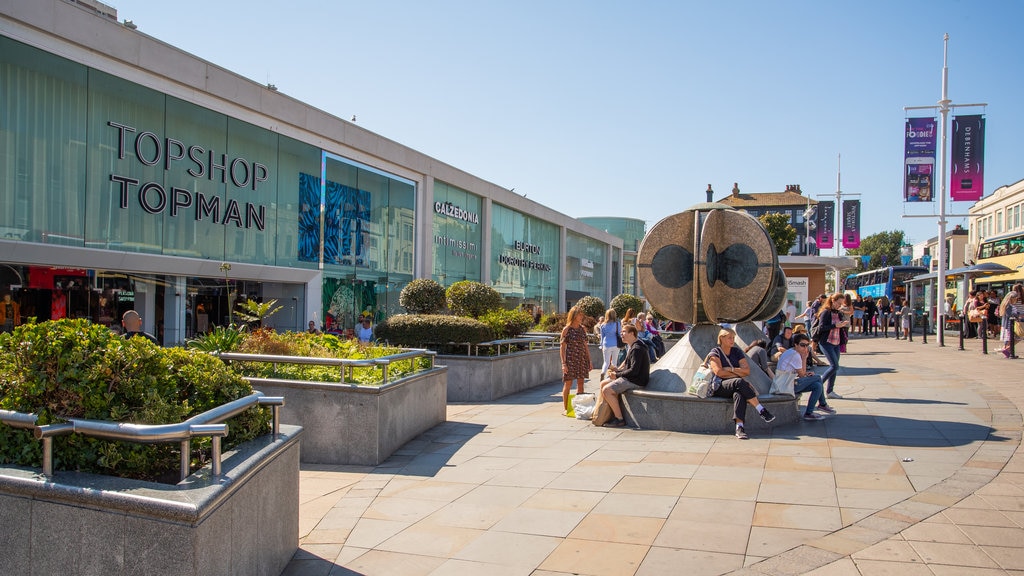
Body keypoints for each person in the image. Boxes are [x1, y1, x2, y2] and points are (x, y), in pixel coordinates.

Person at [706, 327, 775, 439]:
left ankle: (739, 427)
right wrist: (738, 373)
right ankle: (761, 410)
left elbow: (747, 371)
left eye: (733, 338)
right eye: (729, 338)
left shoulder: (737, 352)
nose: (732, 340)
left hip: (735, 385)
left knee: (739, 394)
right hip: (719, 386)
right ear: (721, 338)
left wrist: (730, 369)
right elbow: (719, 372)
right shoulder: (715, 353)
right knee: (739, 382)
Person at [599, 323, 650, 428]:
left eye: (624, 332)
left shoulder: (637, 349)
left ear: (632, 334)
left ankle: (619, 419)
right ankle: (603, 414)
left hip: (636, 380)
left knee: (607, 390)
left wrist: (617, 375)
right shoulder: (632, 345)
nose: (621, 334)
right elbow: (627, 365)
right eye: (621, 332)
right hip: (631, 377)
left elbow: (634, 371)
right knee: (603, 383)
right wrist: (616, 370)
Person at [777, 333, 836, 420]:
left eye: (807, 345)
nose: (805, 348)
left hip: (785, 383)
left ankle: (809, 412)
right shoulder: (795, 355)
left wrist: (806, 374)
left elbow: (801, 374)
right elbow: (802, 376)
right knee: (818, 378)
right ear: (796, 345)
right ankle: (822, 404)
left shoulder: (791, 351)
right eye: (802, 345)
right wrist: (804, 357)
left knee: (817, 386)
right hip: (786, 386)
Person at [560, 305, 592, 416]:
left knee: (581, 383)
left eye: (582, 314)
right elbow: (562, 347)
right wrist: (563, 363)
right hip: (570, 359)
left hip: (581, 358)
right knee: (568, 383)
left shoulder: (582, 329)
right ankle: (566, 409)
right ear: (574, 315)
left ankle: (580, 408)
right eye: (579, 314)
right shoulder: (567, 329)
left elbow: (585, 345)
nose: (581, 316)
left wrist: (589, 360)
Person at [816, 294, 850, 399]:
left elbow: (838, 326)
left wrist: (842, 324)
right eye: (838, 303)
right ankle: (818, 384)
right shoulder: (826, 312)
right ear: (833, 301)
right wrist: (835, 325)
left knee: (835, 367)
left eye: (841, 304)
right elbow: (821, 328)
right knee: (834, 366)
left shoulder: (838, 313)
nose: (839, 306)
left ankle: (830, 391)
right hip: (826, 342)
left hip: (836, 342)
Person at [594, 309, 621, 380]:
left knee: (606, 362)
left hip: (606, 344)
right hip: (615, 344)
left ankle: (603, 372)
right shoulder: (617, 324)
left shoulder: (603, 325)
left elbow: (602, 337)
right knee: (614, 362)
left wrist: (601, 345)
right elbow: (619, 334)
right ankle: (611, 376)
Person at [998, 291, 1020, 358]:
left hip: (1007, 325)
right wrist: (1017, 315)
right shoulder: (1009, 306)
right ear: (1012, 298)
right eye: (1016, 298)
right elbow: (1010, 314)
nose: (1016, 299)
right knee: (1017, 338)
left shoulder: (1006, 304)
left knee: (1008, 339)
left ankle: (1008, 352)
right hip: (1009, 325)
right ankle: (1007, 350)